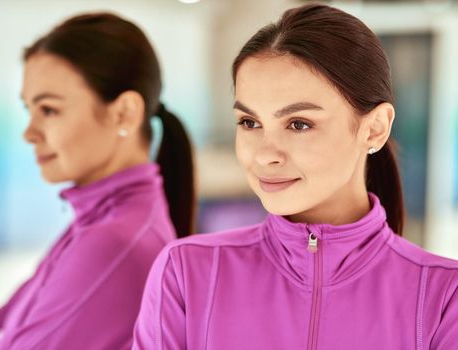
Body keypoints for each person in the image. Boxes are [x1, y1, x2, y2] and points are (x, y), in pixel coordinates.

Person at [132, 4, 458, 349]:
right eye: (250, 123)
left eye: (299, 124)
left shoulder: (443, 297)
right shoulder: (186, 273)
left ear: (374, 129)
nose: (265, 154)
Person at [0, 12, 195, 350]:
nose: (29, 133)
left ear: (124, 113)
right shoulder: (98, 222)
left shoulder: (111, 242)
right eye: (29, 110)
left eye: (49, 110)